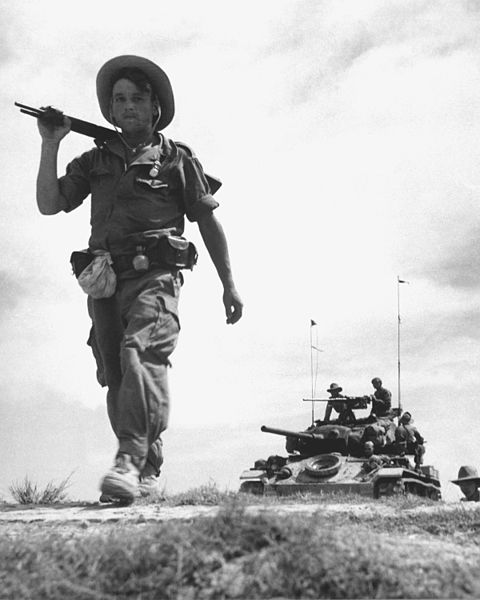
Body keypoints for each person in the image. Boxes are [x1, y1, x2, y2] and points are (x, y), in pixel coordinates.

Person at [35, 55, 243, 503]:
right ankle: (145, 465)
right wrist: (50, 142)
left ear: (155, 109)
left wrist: (229, 282)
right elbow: (50, 204)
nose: (127, 106)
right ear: (109, 110)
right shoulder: (94, 161)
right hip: (106, 280)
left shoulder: (177, 160)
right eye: (119, 99)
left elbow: (207, 223)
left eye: (137, 99)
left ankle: (128, 459)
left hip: (157, 277)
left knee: (140, 352)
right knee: (116, 375)